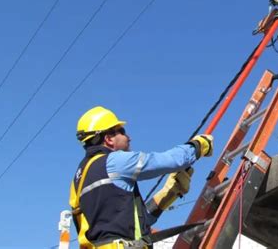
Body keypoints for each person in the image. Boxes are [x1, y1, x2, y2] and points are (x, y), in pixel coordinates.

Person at [69, 106, 213, 249]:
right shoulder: (115, 162)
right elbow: (170, 160)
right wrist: (199, 145)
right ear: (108, 139)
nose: (128, 137)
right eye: (122, 131)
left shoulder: (78, 180)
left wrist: (168, 194)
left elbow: (132, 223)